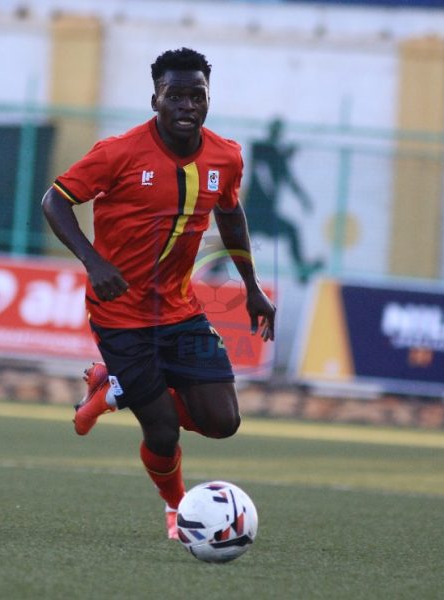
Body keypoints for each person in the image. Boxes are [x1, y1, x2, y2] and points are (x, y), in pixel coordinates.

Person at [41, 48, 276, 540]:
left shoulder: (226, 156)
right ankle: (176, 509)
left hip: (180, 311)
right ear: (156, 100)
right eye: (175, 96)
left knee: (224, 422)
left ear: (208, 99)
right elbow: (55, 200)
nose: (187, 105)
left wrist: (251, 285)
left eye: (197, 95)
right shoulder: (118, 152)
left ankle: (115, 388)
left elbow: (230, 214)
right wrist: (93, 261)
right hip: (120, 314)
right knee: (163, 430)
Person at [244, 117, 324, 283]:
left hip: (267, 214)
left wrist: (304, 199)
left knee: (292, 231)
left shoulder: (278, 158)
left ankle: (301, 269)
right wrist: (283, 155)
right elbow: (262, 167)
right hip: (253, 211)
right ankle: (216, 267)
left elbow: (290, 181)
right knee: (236, 242)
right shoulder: (260, 148)